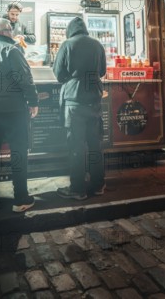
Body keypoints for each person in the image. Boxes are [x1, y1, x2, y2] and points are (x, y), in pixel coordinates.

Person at [0, 17, 39, 215]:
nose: (12, 32)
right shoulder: (11, 50)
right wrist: (33, 101)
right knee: (19, 152)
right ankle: (20, 199)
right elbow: (24, 78)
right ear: (5, 31)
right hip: (13, 108)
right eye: (10, 29)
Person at [53, 16, 106, 200]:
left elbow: (58, 74)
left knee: (76, 146)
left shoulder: (67, 44)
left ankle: (77, 189)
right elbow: (102, 72)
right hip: (94, 100)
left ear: (70, 30)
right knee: (95, 145)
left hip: (74, 102)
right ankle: (98, 185)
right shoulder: (98, 44)